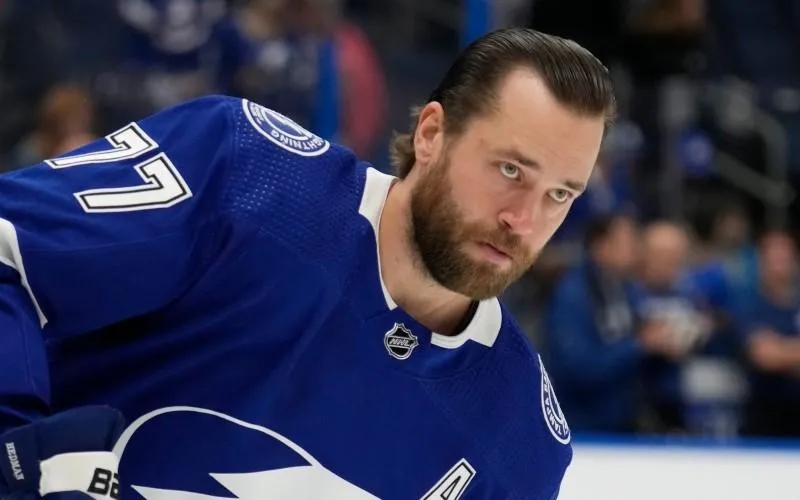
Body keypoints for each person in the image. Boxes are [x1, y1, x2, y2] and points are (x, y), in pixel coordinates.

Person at [0, 28, 615, 499]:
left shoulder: (518, 442)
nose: (525, 220)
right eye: (510, 170)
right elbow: (9, 247)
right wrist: (12, 450)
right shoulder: (246, 176)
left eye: (561, 194)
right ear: (432, 134)